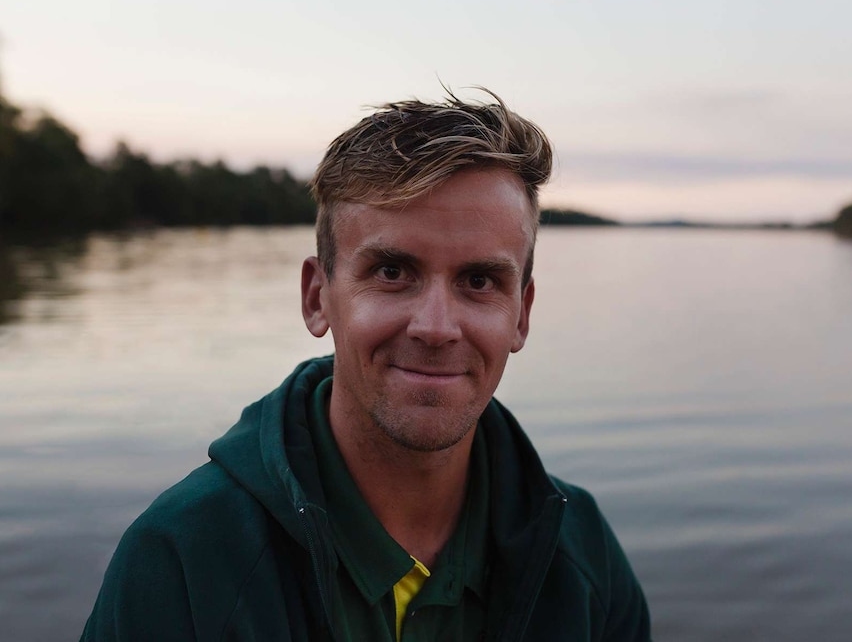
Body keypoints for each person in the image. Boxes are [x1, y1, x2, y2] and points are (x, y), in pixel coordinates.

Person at [80, 90, 651, 641]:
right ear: (317, 297)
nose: (436, 327)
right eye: (392, 272)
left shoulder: (580, 555)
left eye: (479, 281)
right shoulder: (184, 559)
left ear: (521, 315)